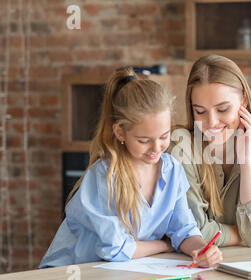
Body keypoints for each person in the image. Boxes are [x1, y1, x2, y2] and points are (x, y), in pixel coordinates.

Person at [39, 67, 222, 268]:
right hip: (68, 275)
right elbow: (115, 249)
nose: (156, 148)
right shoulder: (105, 176)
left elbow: (184, 231)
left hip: (116, 272)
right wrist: (164, 245)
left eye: (164, 136)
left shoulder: (172, 170)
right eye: (144, 140)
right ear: (120, 132)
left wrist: (201, 249)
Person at [168, 55, 251, 248]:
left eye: (223, 109)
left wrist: (246, 161)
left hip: (246, 264)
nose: (211, 122)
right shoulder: (180, 147)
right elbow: (193, 233)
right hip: (194, 266)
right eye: (200, 111)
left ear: (244, 102)